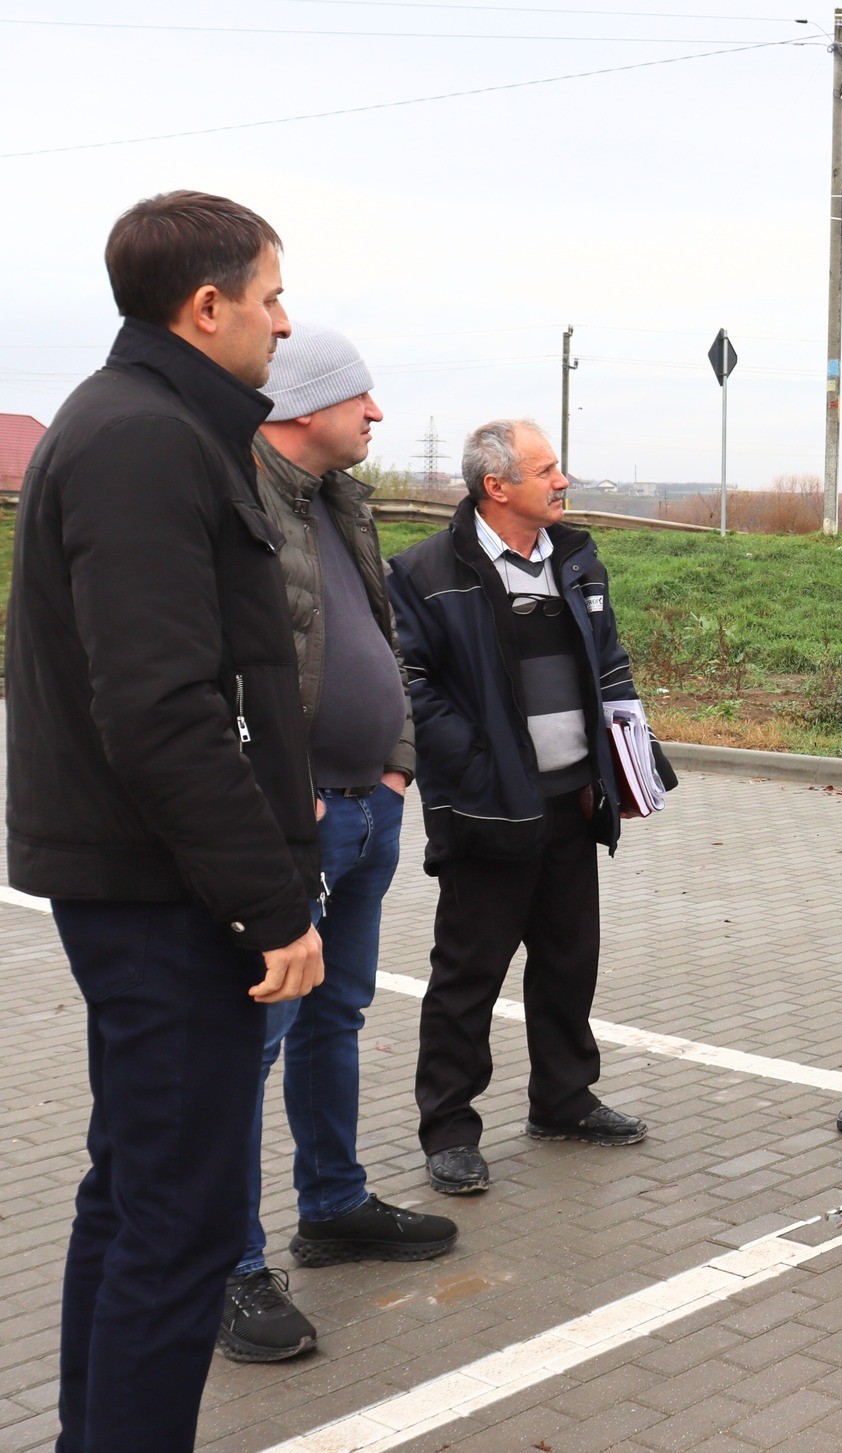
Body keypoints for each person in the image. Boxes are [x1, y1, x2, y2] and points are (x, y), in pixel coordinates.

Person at [6, 190, 324, 1452]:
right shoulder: (144, 438)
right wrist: (270, 903)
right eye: (270, 297)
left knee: (135, 1193)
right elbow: (160, 708)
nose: (283, 322)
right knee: (182, 1223)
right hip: (166, 901)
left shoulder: (149, 421)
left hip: (154, 886)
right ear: (205, 306)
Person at [216, 325, 459, 1364]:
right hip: (294, 820)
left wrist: (396, 765)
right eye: (362, 397)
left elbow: (383, 640)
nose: (377, 415)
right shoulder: (234, 497)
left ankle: (332, 1204)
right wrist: (275, 798)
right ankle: (227, 1267)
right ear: (308, 404)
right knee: (252, 1043)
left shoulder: (341, 501)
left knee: (336, 1016)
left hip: (368, 806)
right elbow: (221, 669)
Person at [388, 419, 672, 1194]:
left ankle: (563, 1099)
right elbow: (410, 685)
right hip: (488, 811)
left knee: (568, 960)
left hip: (571, 803)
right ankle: (449, 1128)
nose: (563, 481)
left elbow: (608, 662)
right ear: (497, 485)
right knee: (468, 974)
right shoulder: (424, 571)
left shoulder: (576, 559)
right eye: (547, 469)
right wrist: (482, 765)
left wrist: (628, 766)